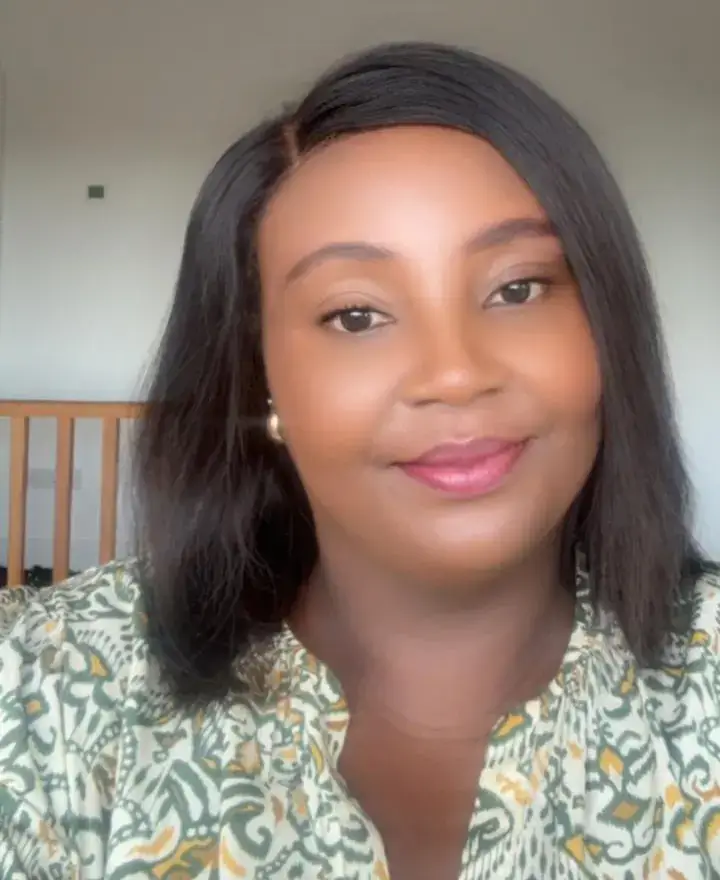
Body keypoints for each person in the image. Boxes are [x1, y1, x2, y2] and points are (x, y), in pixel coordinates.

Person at [0, 41, 717, 880]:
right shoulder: (42, 685)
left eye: (517, 288)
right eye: (355, 316)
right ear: (260, 374)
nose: (455, 373)